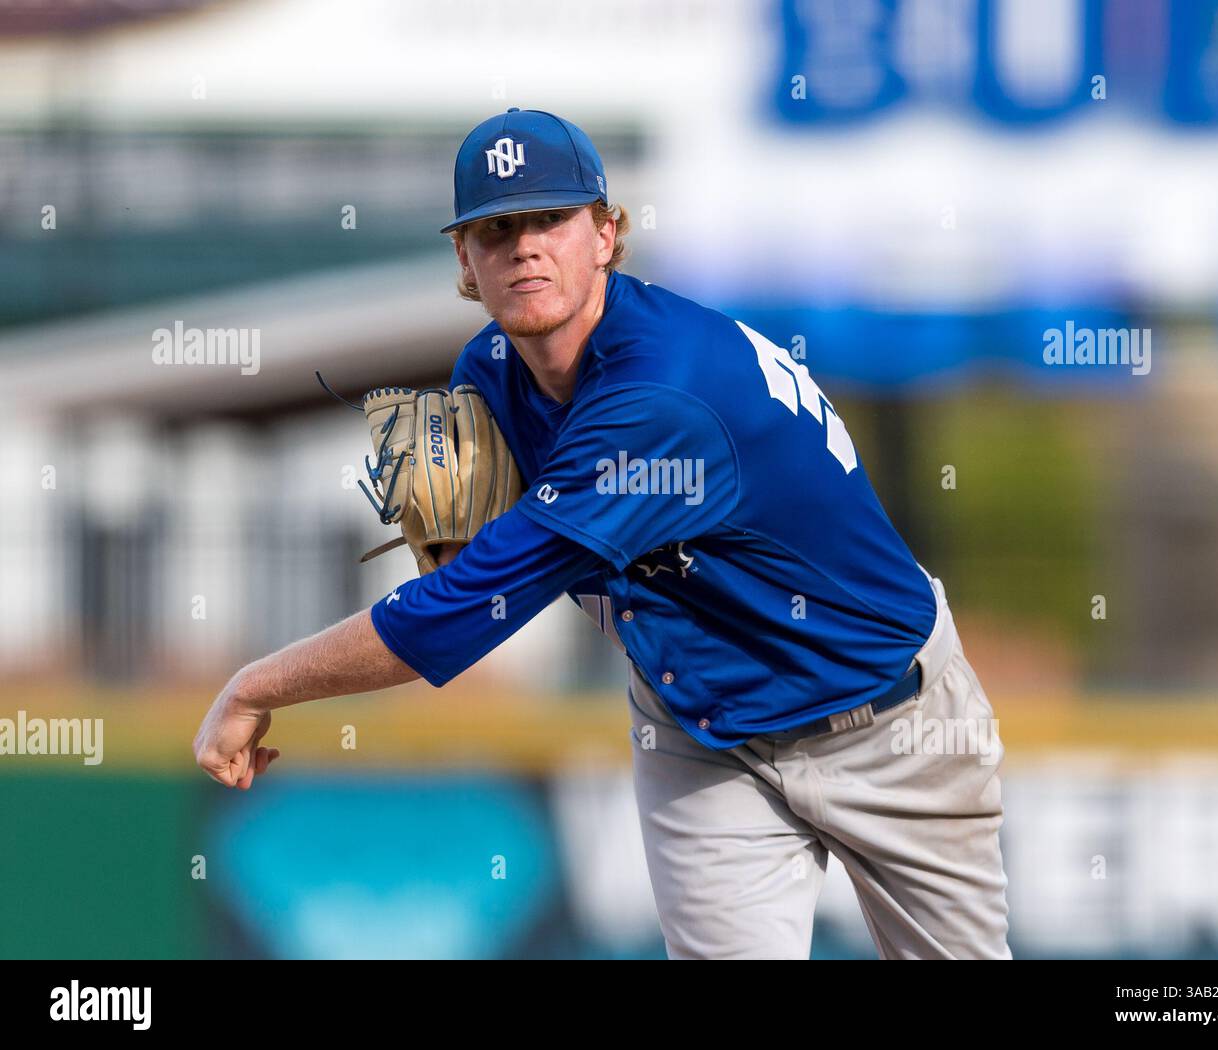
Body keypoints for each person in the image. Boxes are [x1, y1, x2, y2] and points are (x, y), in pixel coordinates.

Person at [193, 108, 1011, 960]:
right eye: (495, 229)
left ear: (606, 235)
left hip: (889, 721)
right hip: (704, 736)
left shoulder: (662, 396)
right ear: (464, 264)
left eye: (550, 218)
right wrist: (465, 556)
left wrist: (256, 686)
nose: (524, 247)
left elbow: (462, 613)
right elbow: (477, 574)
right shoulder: (491, 375)